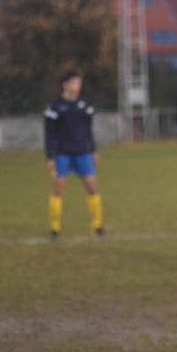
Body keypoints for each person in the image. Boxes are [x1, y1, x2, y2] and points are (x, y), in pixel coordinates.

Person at [44, 69, 103, 239]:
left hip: (82, 153)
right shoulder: (55, 106)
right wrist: (50, 156)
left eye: (79, 82)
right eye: (75, 82)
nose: (78, 86)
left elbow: (88, 129)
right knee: (58, 189)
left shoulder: (85, 103)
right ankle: (55, 228)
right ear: (65, 84)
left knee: (92, 187)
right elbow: (49, 133)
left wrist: (93, 149)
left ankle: (97, 225)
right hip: (62, 154)